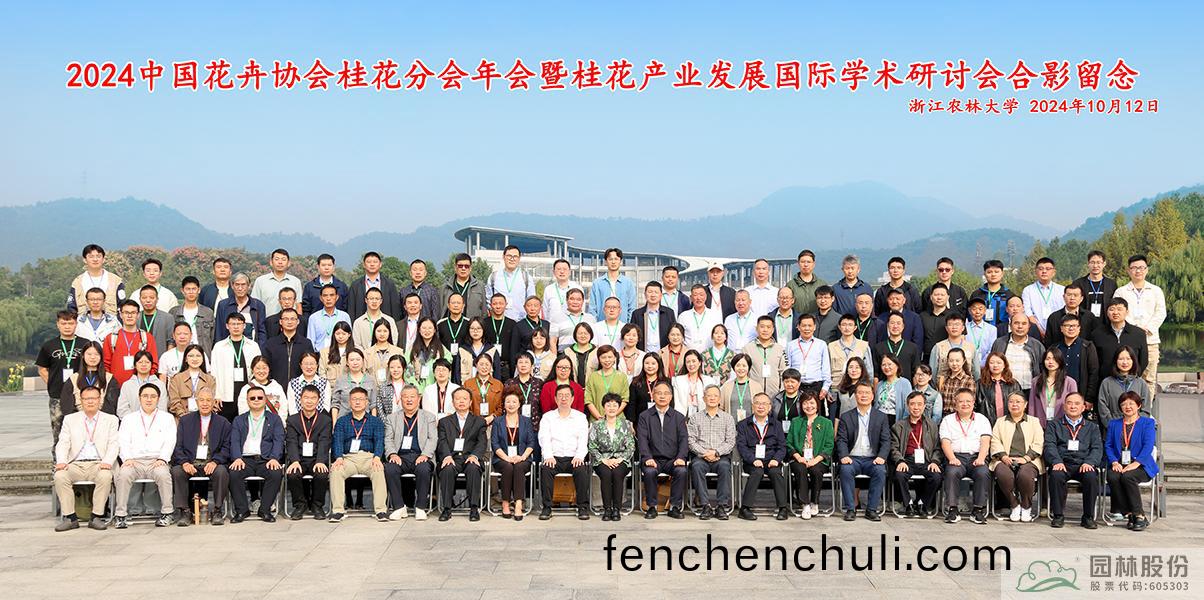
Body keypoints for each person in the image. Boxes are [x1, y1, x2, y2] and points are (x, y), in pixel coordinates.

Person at [53, 385, 119, 532]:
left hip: (99, 463)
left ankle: (96, 517)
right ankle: (70, 518)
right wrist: (62, 461)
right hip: (75, 463)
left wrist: (107, 462)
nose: (90, 401)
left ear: (100, 400)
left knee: (105, 476)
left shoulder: (111, 419)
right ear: (80, 400)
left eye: (94, 398)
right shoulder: (70, 419)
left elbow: (114, 444)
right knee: (60, 476)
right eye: (86, 398)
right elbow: (63, 443)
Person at [114, 383, 176, 528]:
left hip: (156, 460)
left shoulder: (167, 418)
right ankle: (121, 514)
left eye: (153, 396)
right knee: (123, 474)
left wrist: (163, 458)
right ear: (139, 398)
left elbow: (170, 441)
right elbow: (123, 441)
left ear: (158, 399)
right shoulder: (129, 419)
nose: (149, 399)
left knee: (163, 475)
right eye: (145, 396)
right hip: (134, 461)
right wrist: (127, 458)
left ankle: (167, 512)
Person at [170, 388, 231, 526]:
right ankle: (185, 511)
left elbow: (227, 447)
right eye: (201, 400)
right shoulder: (185, 420)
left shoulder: (223, 422)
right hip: (191, 462)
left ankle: (217, 510)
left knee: (222, 472)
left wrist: (215, 461)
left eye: (208, 400)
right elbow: (178, 446)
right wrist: (184, 462)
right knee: (177, 471)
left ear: (214, 402)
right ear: (196, 402)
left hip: (211, 463)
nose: (205, 403)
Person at [327, 387, 388, 522]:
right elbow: (337, 441)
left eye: (361, 399)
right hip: (348, 459)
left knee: (378, 470)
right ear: (349, 402)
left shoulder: (375, 421)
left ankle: (381, 510)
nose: (357, 402)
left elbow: (379, 441)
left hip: (369, 458)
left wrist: (377, 457)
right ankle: (338, 511)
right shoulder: (342, 421)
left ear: (367, 402)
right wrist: (339, 458)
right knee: (336, 470)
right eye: (354, 399)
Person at [1043, 393, 1102, 529]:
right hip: (1063, 463)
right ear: (1064, 406)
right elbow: (1049, 445)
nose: (1073, 406)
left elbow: (1097, 448)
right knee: (1056, 475)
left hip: (1083, 463)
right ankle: (1058, 515)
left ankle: (1088, 517)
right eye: (1069, 403)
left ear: (1083, 407)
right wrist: (1056, 461)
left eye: (1077, 403)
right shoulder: (1054, 425)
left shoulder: (1092, 427)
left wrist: (1089, 462)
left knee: (1091, 477)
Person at [227, 386, 285, 523]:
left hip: (266, 459)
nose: (256, 400)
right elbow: (234, 441)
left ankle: (265, 510)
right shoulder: (239, 420)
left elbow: (279, 440)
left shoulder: (275, 419)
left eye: (260, 397)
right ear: (247, 401)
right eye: (252, 398)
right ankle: (242, 510)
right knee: (234, 473)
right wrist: (237, 458)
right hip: (245, 459)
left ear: (265, 400)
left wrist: (274, 458)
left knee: (275, 473)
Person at [835, 382, 890, 521]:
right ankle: (850, 508)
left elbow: (886, 441)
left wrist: (882, 457)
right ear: (855, 396)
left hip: (872, 459)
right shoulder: (846, 416)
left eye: (867, 393)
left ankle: (871, 509)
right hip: (853, 458)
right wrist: (844, 455)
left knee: (880, 471)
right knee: (845, 470)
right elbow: (841, 440)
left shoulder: (881, 417)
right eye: (860, 392)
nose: (863, 395)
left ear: (872, 396)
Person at [1114, 254, 1166, 398]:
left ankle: (1146, 409)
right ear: (1128, 270)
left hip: (1150, 341)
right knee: (1127, 376)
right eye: (1134, 268)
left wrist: (1147, 328)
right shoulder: (1121, 292)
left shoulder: (1156, 290)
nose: (1138, 271)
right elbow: (1118, 312)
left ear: (1147, 270)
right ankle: (1126, 406)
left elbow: (1161, 312)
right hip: (1128, 341)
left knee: (1149, 378)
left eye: (1141, 267)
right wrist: (1135, 330)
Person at [1104, 391, 1158, 531]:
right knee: (1113, 476)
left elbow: (1148, 446)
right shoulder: (1114, 424)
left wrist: (1135, 463)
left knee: (1128, 476)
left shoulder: (1147, 423)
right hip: (1119, 463)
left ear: (1138, 405)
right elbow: (1108, 445)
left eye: (1131, 403)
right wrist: (1114, 461)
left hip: (1141, 464)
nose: (1127, 407)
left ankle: (1139, 515)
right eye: (1124, 404)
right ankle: (1129, 514)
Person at [537, 384, 591, 520]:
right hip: (554, 457)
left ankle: (582, 507)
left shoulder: (580, 417)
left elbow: (583, 440)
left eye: (567, 395)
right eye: (560, 396)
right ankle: (547, 507)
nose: (564, 398)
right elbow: (544, 438)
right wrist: (548, 456)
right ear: (555, 399)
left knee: (581, 470)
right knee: (546, 469)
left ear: (572, 398)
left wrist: (579, 456)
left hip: (574, 458)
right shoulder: (548, 417)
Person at [989, 391, 1045, 522]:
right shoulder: (1000, 421)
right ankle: (1014, 504)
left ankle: (1026, 506)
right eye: (1011, 402)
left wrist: (1026, 458)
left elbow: (1039, 443)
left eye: (1018, 402)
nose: (1014, 404)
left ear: (1025, 404)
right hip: (1005, 459)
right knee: (1003, 474)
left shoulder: (1034, 421)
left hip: (1029, 459)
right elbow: (995, 441)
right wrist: (1003, 456)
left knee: (1025, 475)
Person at [939, 388, 993, 524]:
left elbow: (985, 441)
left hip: (977, 457)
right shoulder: (948, 420)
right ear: (955, 403)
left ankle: (978, 510)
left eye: (968, 401)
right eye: (961, 401)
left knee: (983, 473)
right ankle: (952, 510)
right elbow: (945, 442)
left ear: (974, 403)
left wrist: (981, 458)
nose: (965, 404)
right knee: (951, 472)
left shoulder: (982, 419)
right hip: (956, 456)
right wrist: (952, 458)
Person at [382, 384, 435, 521]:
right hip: (401, 456)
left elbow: (432, 438)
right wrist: (392, 454)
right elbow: (388, 439)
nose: (409, 400)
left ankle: (421, 507)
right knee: (390, 468)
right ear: (401, 399)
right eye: (405, 397)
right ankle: (399, 507)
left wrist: (425, 455)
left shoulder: (429, 417)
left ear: (419, 399)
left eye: (412, 396)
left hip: (421, 455)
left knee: (423, 469)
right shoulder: (392, 418)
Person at [637, 380, 688, 519]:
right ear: (653, 395)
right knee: (649, 472)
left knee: (681, 471)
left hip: (672, 460)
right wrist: (647, 458)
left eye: (666, 393)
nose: (662, 396)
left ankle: (674, 507)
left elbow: (684, 440)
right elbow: (642, 440)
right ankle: (652, 507)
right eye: (659, 393)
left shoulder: (678, 417)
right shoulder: (644, 416)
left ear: (671, 397)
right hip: (653, 459)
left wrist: (681, 457)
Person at [734, 392, 789, 520]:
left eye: (764, 404)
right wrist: (753, 460)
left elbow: (782, 446)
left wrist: (776, 459)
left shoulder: (776, 424)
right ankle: (745, 508)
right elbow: (742, 446)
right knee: (757, 472)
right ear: (752, 406)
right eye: (757, 403)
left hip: (771, 460)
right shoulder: (743, 425)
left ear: (770, 407)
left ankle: (783, 508)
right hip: (752, 461)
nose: (761, 406)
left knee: (776, 472)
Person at [436, 387, 488, 521]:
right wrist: (446, 456)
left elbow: (482, 442)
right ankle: (447, 508)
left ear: (470, 402)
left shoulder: (479, 421)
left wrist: (475, 456)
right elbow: (442, 441)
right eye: (458, 399)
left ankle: (474, 508)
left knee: (473, 468)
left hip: (470, 456)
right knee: (447, 468)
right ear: (453, 402)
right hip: (452, 457)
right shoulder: (444, 422)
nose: (461, 401)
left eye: (465, 399)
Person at [37, 311, 86, 448]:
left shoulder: (85, 344)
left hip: (80, 394)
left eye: (70, 323)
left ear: (76, 324)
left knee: (81, 431)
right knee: (58, 432)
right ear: (58, 324)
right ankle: (58, 460)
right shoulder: (49, 346)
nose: (67, 326)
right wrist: (51, 383)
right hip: (57, 395)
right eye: (64, 323)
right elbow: (42, 369)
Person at [282, 385, 332, 520]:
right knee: (293, 474)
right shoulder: (292, 420)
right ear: (300, 399)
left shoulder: (325, 420)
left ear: (318, 400)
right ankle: (300, 505)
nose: (309, 401)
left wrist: (320, 461)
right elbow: (291, 441)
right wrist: (294, 461)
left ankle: (317, 506)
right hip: (299, 458)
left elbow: (325, 441)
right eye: (306, 397)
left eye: (313, 398)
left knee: (321, 474)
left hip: (316, 458)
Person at [686, 385, 736, 520]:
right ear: (704, 398)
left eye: (715, 396)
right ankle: (705, 505)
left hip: (721, 457)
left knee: (725, 467)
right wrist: (705, 453)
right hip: (701, 457)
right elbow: (691, 441)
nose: (712, 398)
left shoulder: (728, 418)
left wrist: (716, 452)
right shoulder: (695, 418)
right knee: (696, 467)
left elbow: (730, 442)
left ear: (719, 399)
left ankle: (721, 506)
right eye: (709, 395)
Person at [890, 391, 942, 518]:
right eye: (912, 404)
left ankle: (922, 503)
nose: (916, 407)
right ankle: (908, 504)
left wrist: (935, 461)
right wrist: (900, 461)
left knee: (936, 476)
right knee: (899, 475)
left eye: (919, 404)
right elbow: (894, 448)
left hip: (926, 460)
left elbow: (937, 448)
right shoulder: (899, 426)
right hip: (907, 459)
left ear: (924, 406)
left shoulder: (932, 425)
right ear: (907, 406)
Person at [788, 392, 835, 519]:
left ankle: (815, 502)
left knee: (816, 470)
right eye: (805, 403)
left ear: (817, 405)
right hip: (799, 458)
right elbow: (789, 443)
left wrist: (816, 460)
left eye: (812, 403)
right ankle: (805, 504)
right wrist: (799, 457)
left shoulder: (826, 423)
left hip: (818, 459)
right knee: (800, 470)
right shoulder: (796, 422)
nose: (809, 406)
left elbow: (829, 445)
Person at [590, 393, 636, 521]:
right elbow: (592, 446)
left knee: (617, 473)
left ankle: (616, 509)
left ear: (619, 407)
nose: (611, 408)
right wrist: (603, 460)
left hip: (621, 459)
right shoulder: (596, 425)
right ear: (603, 407)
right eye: (608, 405)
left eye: (615, 405)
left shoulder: (626, 424)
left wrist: (620, 459)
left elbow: (631, 446)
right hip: (602, 460)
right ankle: (607, 509)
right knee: (606, 474)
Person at [491, 388, 536, 520]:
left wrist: (522, 457)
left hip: (522, 457)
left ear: (519, 404)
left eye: (514, 402)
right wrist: (507, 458)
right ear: (504, 404)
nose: (511, 404)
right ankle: (505, 503)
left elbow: (531, 443)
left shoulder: (526, 421)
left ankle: (518, 504)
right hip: (502, 458)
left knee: (519, 467)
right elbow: (495, 444)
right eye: (508, 401)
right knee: (508, 467)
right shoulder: (498, 421)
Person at [211, 313, 261, 421]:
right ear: (227, 326)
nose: (236, 327)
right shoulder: (219, 347)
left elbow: (258, 368)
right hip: (225, 395)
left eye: (239, 324)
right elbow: (214, 372)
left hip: (248, 393)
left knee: (246, 424)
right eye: (233, 324)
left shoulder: (253, 346)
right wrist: (216, 394)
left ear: (244, 326)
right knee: (226, 425)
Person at [1091, 297, 1149, 383]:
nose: (1115, 312)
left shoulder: (1138, 334)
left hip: (1131, 381)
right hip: (1105, 382)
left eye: (1119, 309)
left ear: (1127, 312)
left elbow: (1143, 360)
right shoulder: (1097, 334)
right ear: (1107, 312)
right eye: (1112, 309)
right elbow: (1094, 361)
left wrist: (1134, 376)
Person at [259, 308, 315, 394]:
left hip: (300, 390)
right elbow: (266, 366)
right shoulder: (271, 344)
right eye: (286, 319)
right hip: (276, 390)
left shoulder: (306, 343)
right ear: (280, 322)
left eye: (293, 319)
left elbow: (310, 366)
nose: (289, 322)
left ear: (298, 322)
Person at [103, 300, 159, 386]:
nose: (129, 316)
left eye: (133, 313)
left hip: (141, 386)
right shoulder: (111, 338)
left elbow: (153, 363)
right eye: (126, 313)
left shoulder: (147, 337)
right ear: (120, 315)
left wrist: (146, 383)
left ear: (138, 315)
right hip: (116, 387)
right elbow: (105, 364)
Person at [1097, 346, 1152, 432]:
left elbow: (1146, 409)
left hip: (1136, 430)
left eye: (1128, 359)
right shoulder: (1107, 383)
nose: (1125, 362)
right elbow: (1102, 407)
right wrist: (1113, 426)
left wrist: (1135, 426)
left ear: (1133, 361)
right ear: (1116, 361)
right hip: (1113, 430)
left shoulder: (1141, 383)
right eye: (1121, 359)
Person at [1053, 313, 1101, 410]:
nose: (1071, 328)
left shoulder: (1087, 346)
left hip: (1080, 395)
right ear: (1061, 328)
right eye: (1067, 325)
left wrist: (1089, 398)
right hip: (1058, 395)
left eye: (1074, 326)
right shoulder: (1055, 348)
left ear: (1079, 328)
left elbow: (1094, 373)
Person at [59, 344, 114, 426]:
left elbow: (111, 404)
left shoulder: (109, 378)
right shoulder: (74, 378)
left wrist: (98, 420)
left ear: (101, 357)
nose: (93, 357)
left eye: (96, 354)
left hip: (103, 423)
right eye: (89, 354)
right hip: (78, 423)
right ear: (83, 356)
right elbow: (67, 405)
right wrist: (80, 421)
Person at [991, 316, 1043, 397]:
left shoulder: (1037, 345)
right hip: (1005, 390)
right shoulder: (999, 343)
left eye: (1024, 323)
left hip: (1029, 391)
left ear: (1029, 326)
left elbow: (1042, 369)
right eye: (1016, 323)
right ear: (1010, 325)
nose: (1020, 326)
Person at [786, 314, 833, 402]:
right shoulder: (790, 345)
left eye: (810, 325)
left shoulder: (821, 344)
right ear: (798, 327)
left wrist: (825, 387)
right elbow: (787, 367)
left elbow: (826, 368)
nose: (807, 328)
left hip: (816, 387)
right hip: (797, 387)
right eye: (804, 326)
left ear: (814, 327)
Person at [67, 244, 125, 315]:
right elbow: (71, 308)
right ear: (85, 260)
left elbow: (122, 306)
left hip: (111, 321)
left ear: (103, 259)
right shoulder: (77, 282)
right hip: (83, 321)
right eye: (91, 256)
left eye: (98, 256)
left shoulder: (115, 280)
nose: (95, 259)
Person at [348, 251, 402, 323]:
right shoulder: (355, 285)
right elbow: (351, 309)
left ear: (380, 264)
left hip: (384, 326)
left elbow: (395, 309)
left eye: (375, 262)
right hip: (363, 324)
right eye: (369, 262)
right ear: (364, 265)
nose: (372, 264)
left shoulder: (389, 285)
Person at [1029, 348, 1077, 427]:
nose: (1051, 362)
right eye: (1048, 359)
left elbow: (1074, 405)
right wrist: (1031, 424)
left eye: (1054, 359)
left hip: (1062, 424)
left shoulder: (1070, 382)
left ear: (1060, 361)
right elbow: (1032, 406)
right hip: (1040, 423)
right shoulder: (1036, 381)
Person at [486, 245, 536, 321]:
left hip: (520, 321)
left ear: (519, 258)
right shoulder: (494, 277)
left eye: (515, 256)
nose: (512, 259)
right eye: (509, 256)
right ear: (503, 257)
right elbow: (488, 299)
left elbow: (532, 301)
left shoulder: (526, 277)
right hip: (500, 321)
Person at [214, 272, 268, 343]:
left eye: (243, 285)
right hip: (228, 346)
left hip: (252, 346)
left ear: (249, 286)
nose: (240, 288)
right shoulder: (223, 305)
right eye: (237, 284)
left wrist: (260, 348)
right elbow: (219, 331)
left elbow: (261, 332)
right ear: (232, 286)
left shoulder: (258, 305)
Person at [1020, 257, 1066, 339]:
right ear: (1036, 271)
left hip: (1058, 331)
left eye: (1048, 269)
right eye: (1041, 269)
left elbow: (1064, 311)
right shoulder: (1028, 290)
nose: (1044, 271)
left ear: (1054, 272)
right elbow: (1027, 312)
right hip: (1035, 332)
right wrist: (1040, 331)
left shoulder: (1062, 290)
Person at [588, 248, 637, 321]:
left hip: (623, 325)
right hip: (601, 324)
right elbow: (592, 308)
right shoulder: (597, 283)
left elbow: (632, 308)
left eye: (616, 259)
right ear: (606, 262)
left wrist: (627, 325)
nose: (613, 262)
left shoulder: (628, 283)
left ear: (620, 261)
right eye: (610, 259)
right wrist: (596, 325)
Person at [114, 350, 166, 418]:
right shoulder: (127, 385)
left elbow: (162, 408)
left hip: (155, 422)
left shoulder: (160, 385)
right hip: (132, 422)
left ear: (151, 365)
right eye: (140, 362)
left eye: (147, 362)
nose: (143, 364)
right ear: (135, 365)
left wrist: (150, 420)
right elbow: (122, 409)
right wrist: (137, 420)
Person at [170, 276, 216, 353]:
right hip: (180, 353)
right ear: (182, 291)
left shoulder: (208, 313)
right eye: (188, 289)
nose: (191, 292)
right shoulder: (174, 312)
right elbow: (171, 338)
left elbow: (213, 337)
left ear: (199, 290)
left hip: (202, 354)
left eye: (194, 289)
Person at [251, 249, 303, 317]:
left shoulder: (295, 281)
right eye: (277, 259)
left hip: (289, 321)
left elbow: (298, 306)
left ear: (288, 263)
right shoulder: (260, 281)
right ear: (271, 262)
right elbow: (255, 305)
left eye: (283, 259)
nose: (280, 262)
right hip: (266, 321)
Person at [744, 316, 787, 398]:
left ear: (773, 330)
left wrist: (781, 392)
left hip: (775, 395)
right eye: (762, 327)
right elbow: (744, 373)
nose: (765, 330)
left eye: (768, 327)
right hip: (753, 394)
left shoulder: (780, 349)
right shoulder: (747, 349)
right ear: (757, 329)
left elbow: (784, 372)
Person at [1045, 283, 1098, 348]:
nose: (1072, 298)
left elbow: (1094, 339)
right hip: (1060, 352)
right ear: (1064, 297)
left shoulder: (1089, 317)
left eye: (1075, 295)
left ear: (1081, 298)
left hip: (1083, 352)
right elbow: (1048, 342)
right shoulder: (1054, 317)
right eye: (1069, 295)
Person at [331, 349, 379, 421]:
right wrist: (335, 423)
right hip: (344, 421)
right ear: (347, 362)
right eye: (352, 360)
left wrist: (373, 422)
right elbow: (335, 404)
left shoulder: (370, 380)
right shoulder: (340, 380)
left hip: (365, 421)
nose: (355, 363)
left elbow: (373, 405)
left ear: (363, 361)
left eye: (358, 359)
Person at [929, 313, 979, 381]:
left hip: (966, 385)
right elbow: (932, 371)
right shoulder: (938, 347)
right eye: (950, 324)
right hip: (943, 385)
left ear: (963, 328)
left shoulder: (971, 347)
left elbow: (976, 371)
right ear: (946, 328)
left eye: (957, 324)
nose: (954, 327)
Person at [829, 314, 873, 391]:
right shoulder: (831, 346)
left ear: (855, 327)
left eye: (850, 325)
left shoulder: (863, 346)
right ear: (839, 327)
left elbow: (869, 371)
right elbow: (827, 371)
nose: (847, 328)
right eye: (844, 325)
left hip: (858, 390)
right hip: (836, 389)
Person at [585, 345, 629, 420]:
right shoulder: (593, 377)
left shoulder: (622, 376)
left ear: (615, 358)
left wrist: (612, 415)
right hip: (597, 419)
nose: (607, 360)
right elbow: (588, 400)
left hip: (617, 419)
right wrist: (599, 417)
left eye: (610, 357)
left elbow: (625, 399)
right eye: (603, 357)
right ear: (599, 359)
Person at [874, 311, 921, 381]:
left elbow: (915, 372)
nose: (895, 326)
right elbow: (876, 374)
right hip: (884, 386)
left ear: (903, 326)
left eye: (898, 323)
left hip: (906, 386)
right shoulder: (879, 347)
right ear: (888, 325)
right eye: (892, 323)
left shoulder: (912, 347)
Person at [630, 281, 675, 353]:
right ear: (645, 294)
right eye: (650, 292)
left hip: (664, 354)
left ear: (661, 295)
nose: (653, 295)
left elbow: (673, 333)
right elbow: (632, 335)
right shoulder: (637, 314)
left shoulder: (669, 313)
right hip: (643, 354)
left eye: (656, 292)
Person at [1072, 250, 1118, 320]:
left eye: (1098, 262)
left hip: (1105, 323)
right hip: (1083, 322)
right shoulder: (1078, 283)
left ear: (1104, 264)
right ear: (1088, 264)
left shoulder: (1111, 284)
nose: (1095, 266)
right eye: (1092, 262)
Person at [510, 296, 551, 371]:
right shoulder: (519, 326)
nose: (532, 308)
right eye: (529, 306)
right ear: (524, 307)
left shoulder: (546, 324)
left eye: (535, 305)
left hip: (545, 362)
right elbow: (514, 350)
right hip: (525, 363)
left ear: (540, 307)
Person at [969, 259, 1015, 328]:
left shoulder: (1009, 295)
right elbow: (970, 315)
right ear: (984, 274)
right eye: (989, 272)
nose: (993, 274)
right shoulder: (977, 294)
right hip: (980, 331)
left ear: (1002, 273)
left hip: (1002, 331)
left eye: (996, 272)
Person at [976, 352, 1020, 423]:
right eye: (992, 363)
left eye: (999, 363)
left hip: (1009, 423)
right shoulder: (980, 384)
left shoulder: (1014, 384)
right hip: (986, 424)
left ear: (1004, 365)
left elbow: (1020, 405)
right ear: (987, 365)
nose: (995, 365)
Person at [442, 253, 488, 321]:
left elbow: (484, 311)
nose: (463, 268)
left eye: (466, 266)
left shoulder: (479, 286)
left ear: (470, 268)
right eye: (460, 266)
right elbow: (441, 310)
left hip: (472, 325)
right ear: (455, 267)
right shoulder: (445, 287)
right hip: (450, 325)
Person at [672, 350, 717, 418]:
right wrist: (680, 419)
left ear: (699, 363)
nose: (691, 364)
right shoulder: (678, 380)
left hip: (704, 417)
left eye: (694, 361)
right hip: (683, 417)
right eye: (688, 362)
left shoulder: (709, 381)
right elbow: (677, 404)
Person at [306, 284, 352, 351]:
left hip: (340, 354)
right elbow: (311, 341)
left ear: (337, 297)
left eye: (332, 295)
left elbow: (349, 339)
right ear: (321, 298)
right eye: (325, 295)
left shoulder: (344, 316)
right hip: (319, 354)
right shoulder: (313, 318)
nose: (328, 298)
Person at [549, 288, 595, 354]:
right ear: (567, 300)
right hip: (564, 356)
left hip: (587, 356)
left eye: (578, 299)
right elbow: (552, 342)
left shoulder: (591, 319)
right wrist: (555, 358)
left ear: (583, 301)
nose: (575, 302)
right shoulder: (557, 318)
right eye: (572, 299)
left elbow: (594, 341)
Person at [406, 318, 448, 389]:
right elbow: (407, 371)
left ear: (434, 330)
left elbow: (446, 369)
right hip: (416, 389)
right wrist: (416, 388)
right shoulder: (412, 349)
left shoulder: (442, 349)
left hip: (435, 388)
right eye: (424, 328)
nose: (427, 331)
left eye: (430, 328)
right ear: (419, 330)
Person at [506, 353, 545, 429]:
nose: (523, 365)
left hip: (535, 425)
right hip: (515, 426)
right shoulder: (510, 383)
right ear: (516, 366)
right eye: (520, 362)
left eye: (526, 362)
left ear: (532, 366)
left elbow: (542, 405)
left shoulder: (539, 383)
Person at [456, 318, 501, 383]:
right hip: (466, 387)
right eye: (472, 328)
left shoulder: (491, 350)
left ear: (484, 330)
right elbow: (457, 373)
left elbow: (497, 373)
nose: (475, 331)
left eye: (479, 328)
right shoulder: (462, 350)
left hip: (487, 387)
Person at [462, 353, 503, 426]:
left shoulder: (498, 384)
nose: (484, 367)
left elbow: (501, 406)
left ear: (491, 366)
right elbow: (464, 404)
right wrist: (474, 419)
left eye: (487, 364)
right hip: (472, 424)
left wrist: (493, 417)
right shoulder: (468, 384)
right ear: (476, 365)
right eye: (481, 364)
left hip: (493, 423)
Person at [135, 285, 175, 358]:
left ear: (157, 299)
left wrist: (168, 359)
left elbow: (171, 341)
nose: (148, 300)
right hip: (139, 360)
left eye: (152, 298)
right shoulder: (136, 317)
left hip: (160, 358)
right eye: (144, 298)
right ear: (140, 299)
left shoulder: (168, 318)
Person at [720, 354, 763, 421]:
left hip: (751, 426)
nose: (741, 368)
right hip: (731, 425)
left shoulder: (757, 386)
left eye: (744, 366)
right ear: (734, 367)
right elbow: (721, 408)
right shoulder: (726, 386)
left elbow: (762, 408)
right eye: (738, 365)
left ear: (749, 367)